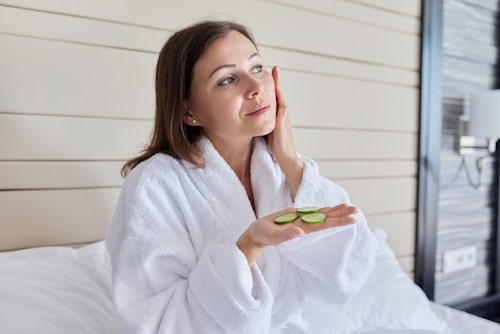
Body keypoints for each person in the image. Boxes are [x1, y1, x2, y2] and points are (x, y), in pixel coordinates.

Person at [106, 20, 377, 334]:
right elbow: (156, 320)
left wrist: (290, 159)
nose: (256, 87)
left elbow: (347, 276)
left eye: (258, 68)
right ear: (188, 111)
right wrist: (249, 246)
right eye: (227, 79)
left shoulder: (284, 171)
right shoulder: (153, 186)